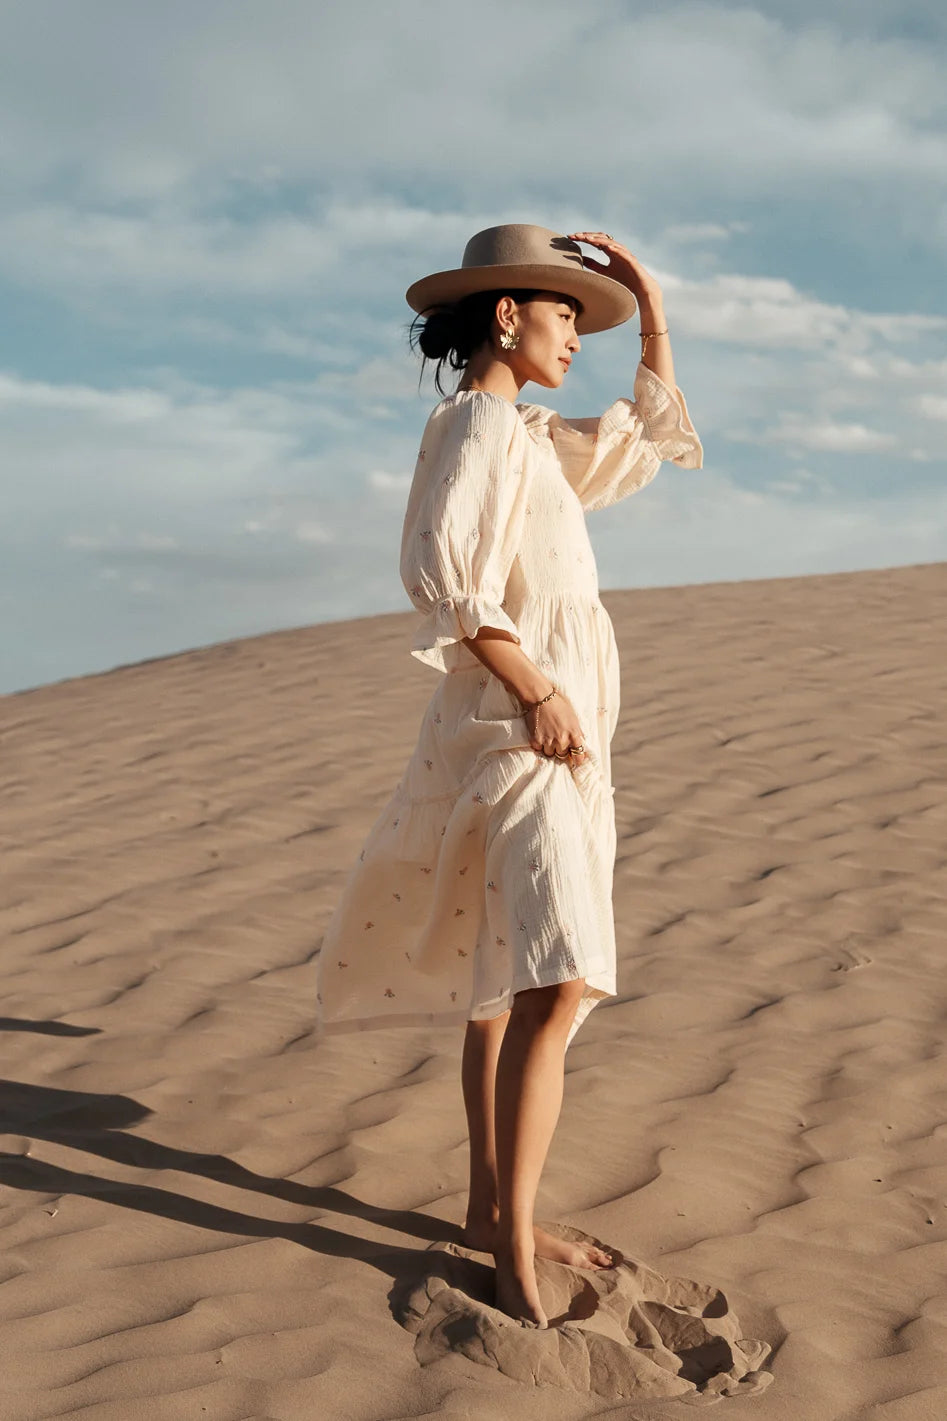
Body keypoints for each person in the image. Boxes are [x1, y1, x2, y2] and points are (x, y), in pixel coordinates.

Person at [314, 224, 703, 1328]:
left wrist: (650, 303)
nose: (576, 337)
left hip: (563, 727)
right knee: (557, 977)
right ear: (504, 316)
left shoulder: (529, 435)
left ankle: (494, 1210)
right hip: (517, 728)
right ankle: (514, 1258)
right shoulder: (474, 425)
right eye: (564, 313)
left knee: (505, 979)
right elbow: (441, 572)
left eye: (584, 319)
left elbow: (640, 444)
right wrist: (535, 689)